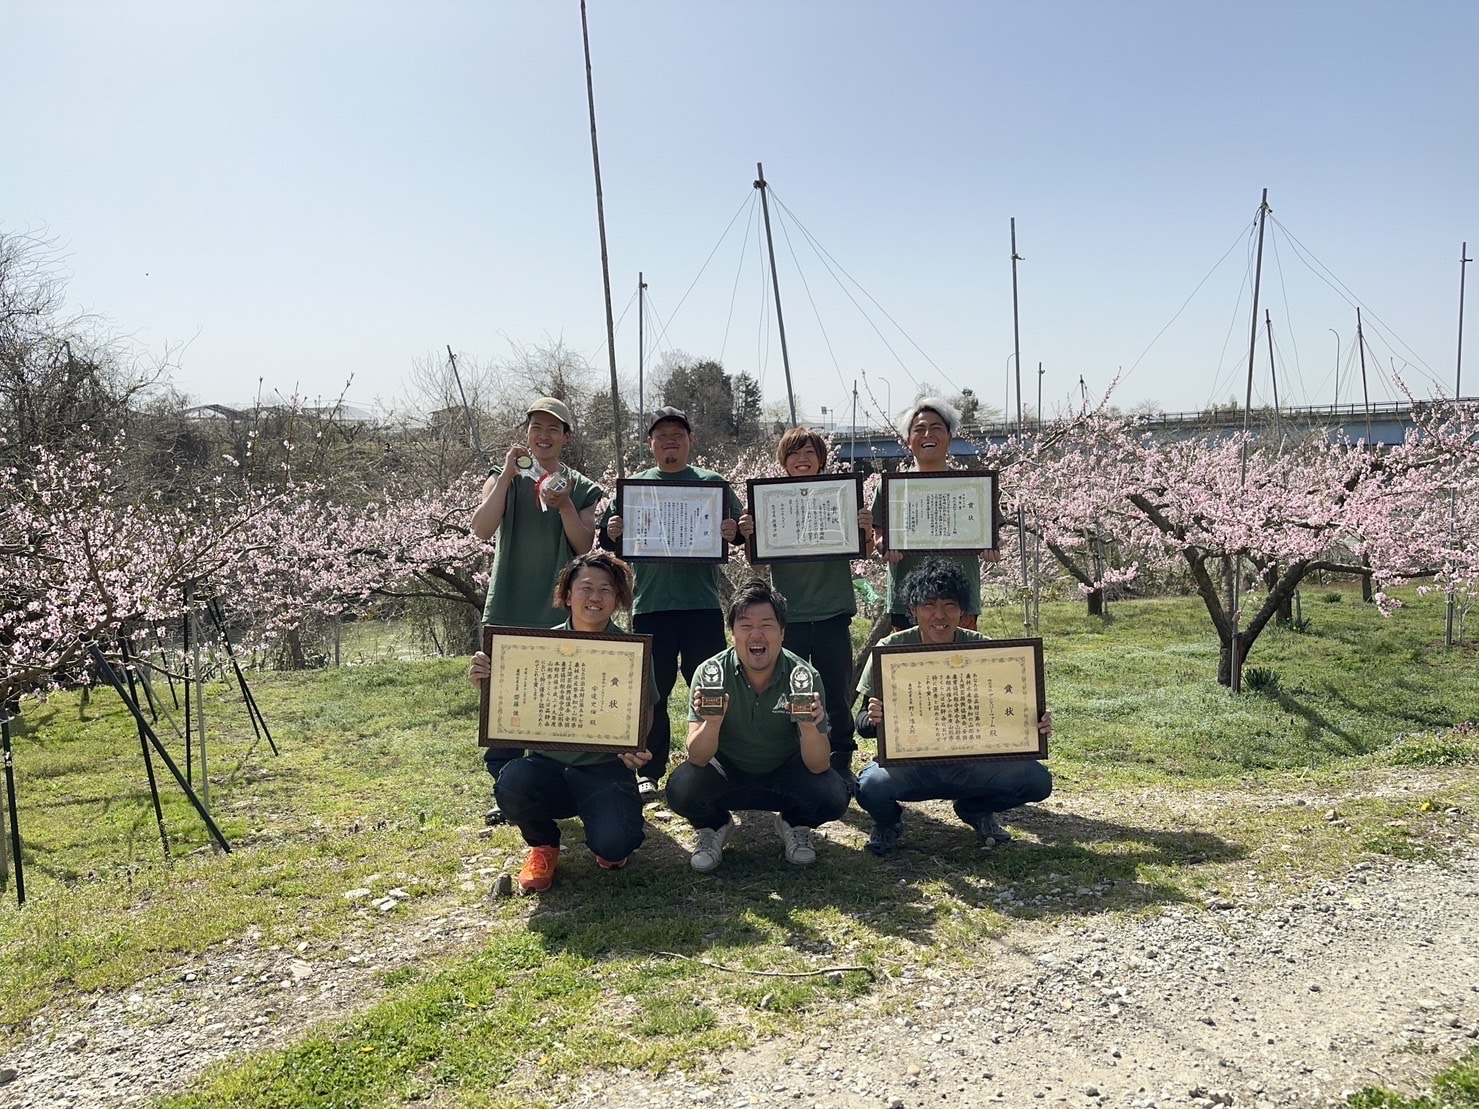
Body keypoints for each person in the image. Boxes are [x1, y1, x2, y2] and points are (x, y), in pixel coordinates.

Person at [468, 551, 655, 893]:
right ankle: (544, 845)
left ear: (617, 599)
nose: (595, 597)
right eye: (585, 588)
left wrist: (637, 742)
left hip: (605, 768)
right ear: (567, 595)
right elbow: (513, 699)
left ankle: (607, 837)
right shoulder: (533, 648)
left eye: (606, 590)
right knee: (513, 784)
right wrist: (490, 682)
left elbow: (646, 708)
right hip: (548, 766)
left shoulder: (630, 650)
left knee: (616, 844)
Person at [854, 558, 1053, 856]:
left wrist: (1035, 723)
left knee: (1036, 781)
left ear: (963, 611)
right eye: (928, 606)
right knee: (870, 785)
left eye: (949, 605)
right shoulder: (889, 650)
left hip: (973, 763)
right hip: (912, 764)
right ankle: (888, 823)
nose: (939, 615)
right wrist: (872, 720)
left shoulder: (986, 651)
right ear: (912, 611)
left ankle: (975, 810)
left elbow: (1007, 708)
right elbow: (860, 722)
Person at [597, 406, 743, 799]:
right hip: (652, 605)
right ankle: (649, 767)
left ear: (690, 441)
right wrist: (612, 531)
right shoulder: (635, 487)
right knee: (652, 691)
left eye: (678, 434)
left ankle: (721, 758)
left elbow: (742, 531)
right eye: (662, 436)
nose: (670, 442)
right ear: (650, 444)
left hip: (702, 605)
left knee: (712, 686)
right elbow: (608, 539)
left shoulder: (713, 483)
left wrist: (734, 531)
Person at [471, 397, 604, 823]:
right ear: (526, 433)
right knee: (502, 703)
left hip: (555, 609)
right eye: (536, 428)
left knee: (554, 698)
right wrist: (509, 474)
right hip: (507, 602)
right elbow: (481, 528)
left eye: (553, 429)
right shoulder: (502, 476)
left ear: (566, 437)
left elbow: (584, 545)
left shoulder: (581, 485)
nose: (543, 436)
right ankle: (506, 788)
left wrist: (564, 503)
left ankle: (558, 783)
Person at [667, 579, 850, 872]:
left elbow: (818, 766)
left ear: (782, 632)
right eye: (745, 625)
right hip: (727, 772)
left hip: (785, 773)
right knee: (682, 787)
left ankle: (794, 822)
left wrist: (807, 726)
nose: (756, 634)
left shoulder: (803, 675)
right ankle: (714, 826)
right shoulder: (710, 673)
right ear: (733, 633)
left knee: (834, 794)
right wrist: (712, 723)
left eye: (766, 625)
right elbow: (697, 757)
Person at [752, 427, 872, 782]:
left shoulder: (839, 496)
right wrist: (751, 533)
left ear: (821, 459)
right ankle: (790, 757)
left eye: (809, 453)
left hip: (833, 611)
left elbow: (862, 552)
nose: (801, 459)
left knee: (835, 691)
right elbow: (758, 564)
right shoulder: (770, 502)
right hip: (789, 616)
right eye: (794, 454)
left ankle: (841, 760)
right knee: (788, 690)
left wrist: (863, 527)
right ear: (783, 462)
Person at [874, 398, 990, 631]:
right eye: (919, 429)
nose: (928, 434)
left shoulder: (972, 486)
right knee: (911, 663)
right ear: (908, 441)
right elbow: (878, 537)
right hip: (907, 600)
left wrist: (991, 546)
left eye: (936, 428)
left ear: (950, 436)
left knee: (960, 664)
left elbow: (991, 534)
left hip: (960, 598)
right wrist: (885, 545)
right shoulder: (891, 487)